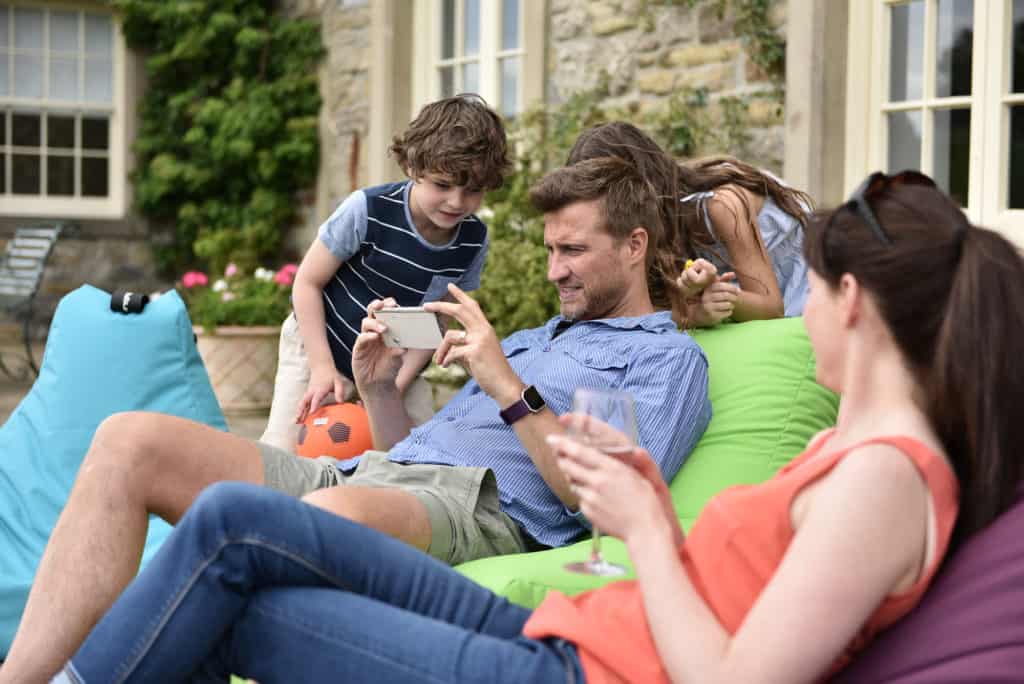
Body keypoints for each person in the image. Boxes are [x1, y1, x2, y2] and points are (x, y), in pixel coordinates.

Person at [48, 172, 1024, 684]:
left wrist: (643, 529)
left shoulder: (885, 478)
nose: (795, 311)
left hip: (577, 669)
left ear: (852, 304)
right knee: (223, 539)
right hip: (573, 630)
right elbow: (741, 589)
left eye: (811, 295)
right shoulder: (856, 452)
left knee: (228, 573)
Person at [0, 157, 712, 682]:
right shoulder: (536, 337)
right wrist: (379, 395)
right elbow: (408, 455)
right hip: (370, 472)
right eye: (552, 249)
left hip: (476, 508)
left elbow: (602, 502)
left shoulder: (669, 362)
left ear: (635, 245)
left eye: (573, 251)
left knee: (321, 517)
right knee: (130, 440)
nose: (555, 270)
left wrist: (503, 381)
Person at [261, 94, 509, 451]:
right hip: (319, 347)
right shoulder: (368, 209)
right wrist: (320, 368)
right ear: (412, 166)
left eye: (472, 191)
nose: (456, 202)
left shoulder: (473, 240)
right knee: (285, 450)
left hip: (395, 364)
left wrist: (392, 387)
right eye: (442, 185)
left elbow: (436, 322)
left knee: (417, 455)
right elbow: (307, 283)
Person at [567, 121, 814, 327]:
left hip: (809, 281)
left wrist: (717, 295)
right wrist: (696, 310)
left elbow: (771, 308)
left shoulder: (721, 205)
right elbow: (657, 312)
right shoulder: (646, 229)